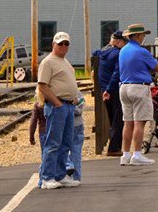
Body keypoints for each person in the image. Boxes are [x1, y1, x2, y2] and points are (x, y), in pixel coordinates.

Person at [36, 32, 81, 189]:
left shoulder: (64, 61)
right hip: (58, 106)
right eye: (60, 43)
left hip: (68, 105)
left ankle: (60, 175)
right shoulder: (48, 62)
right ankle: (47, 178)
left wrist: (72, 98)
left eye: (66, 44)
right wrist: (57, 102)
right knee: (53, 143)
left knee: (66, 143)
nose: (63, 46)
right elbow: (42, 85)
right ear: (53, 44)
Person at [118, 23, 158, 166]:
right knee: (139, 122)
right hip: (139, 87)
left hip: (124, 87)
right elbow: (157, 67)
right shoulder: (141, 51)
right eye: (142, 35)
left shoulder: (123, 50)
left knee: (127, 122)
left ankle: (125, 154)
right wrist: (148, 71)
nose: (143, 37)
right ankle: (136, 154)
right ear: (137, 36)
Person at [91, 31, 125, 156]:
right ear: (118, 41)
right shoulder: (117, 54)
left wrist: (106, 90)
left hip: (104, 89)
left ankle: (113, 145)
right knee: (118, 119)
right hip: (113, 90)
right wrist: (110, 89)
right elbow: (117, 73)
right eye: (123, 41)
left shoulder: (102, 52)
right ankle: (114, 148)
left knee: (112, 118)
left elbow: (94, 53)